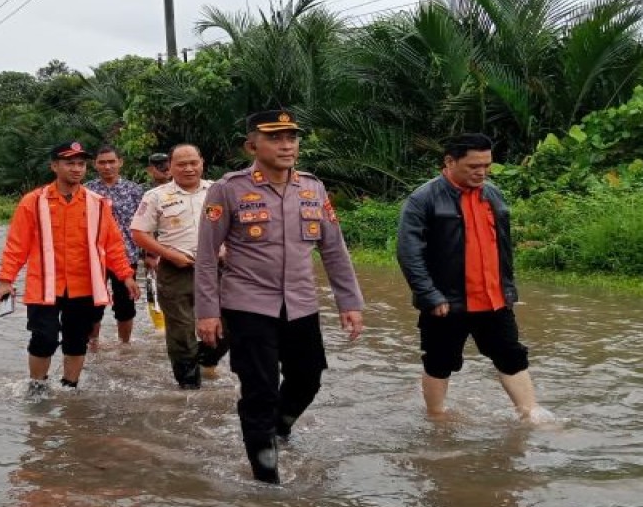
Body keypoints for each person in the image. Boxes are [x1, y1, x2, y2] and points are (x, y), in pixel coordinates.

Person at [195, 110, 365, 484]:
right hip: (247, 306)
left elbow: (334, 250)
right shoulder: (228, 189)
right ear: (251, 145)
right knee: (260, 390)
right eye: (275, 138)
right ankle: (266, 481)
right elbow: (207, 256)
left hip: (301, 304)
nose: (287, 145)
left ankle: (279, 428)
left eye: (292, 137)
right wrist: (207, 312)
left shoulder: (313, 188)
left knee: (309, 377)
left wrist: (349, 303)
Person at [397, 133, 541, 420]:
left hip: (494, 298)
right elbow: (409, 253)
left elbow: (502, 248)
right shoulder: (423, 199)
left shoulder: (494, 195)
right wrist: (429, 295)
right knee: (439, 361)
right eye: (474, 166)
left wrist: (508, 291)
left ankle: (531, 414)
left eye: (487, 165)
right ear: (450, 161)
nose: (482, 172)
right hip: (446, 302)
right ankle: (436, 417)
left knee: (511, 355)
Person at [0, 142, 138, 393]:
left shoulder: (98, 203)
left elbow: (112, 243)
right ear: (54, 166)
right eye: (69, 163)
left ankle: (70, 387)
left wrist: (126, 276)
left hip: (84, 285)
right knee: (44, 338)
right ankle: (37, 388)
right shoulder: (33, 202)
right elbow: (17, 244)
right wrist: (6, 280)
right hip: (44, 285)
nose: (76, 169)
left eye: (81, 164)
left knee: (77, 340)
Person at [131, 143, 227, 389]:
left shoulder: (219, 191)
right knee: (181, 331)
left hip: (219, 267)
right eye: (181, 164)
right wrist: (169, 255)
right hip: (177, 269)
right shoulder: (156, 196)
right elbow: (139, 233)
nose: (188, 168)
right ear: (170, 167)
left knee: (230, 323)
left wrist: (229, 248)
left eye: (193, 163)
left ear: (202, 162)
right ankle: (188, 388)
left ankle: (206, 361)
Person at [83, 146, 145, 345]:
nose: (107, 166)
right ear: (95, 165)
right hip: (94, 258)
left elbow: (145, 225)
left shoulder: (135, 190)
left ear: (120, 162)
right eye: (102, 162)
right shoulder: (86, 191)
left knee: (125, 303)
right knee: (93, 303)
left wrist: (149, 255)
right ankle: (92, 345)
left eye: (111, 161)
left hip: (127, 255)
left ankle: (124, 346)